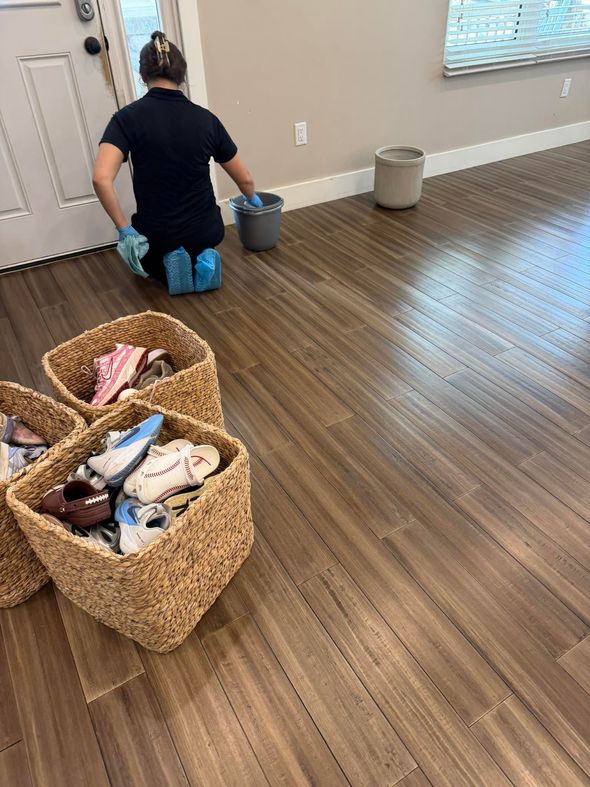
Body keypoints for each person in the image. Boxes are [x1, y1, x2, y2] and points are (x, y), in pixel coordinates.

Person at [92, 30, 262, 284]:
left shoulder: (126, 119)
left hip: (157, 235)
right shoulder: (206, 120)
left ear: (142, 76)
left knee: (151, 260)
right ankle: (201, 256)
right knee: (203, 237)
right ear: (182, 76)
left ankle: (169, 265)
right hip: (206, 229)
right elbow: (244, 178)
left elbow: (100, 178)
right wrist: (252, 199)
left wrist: (125, 230)